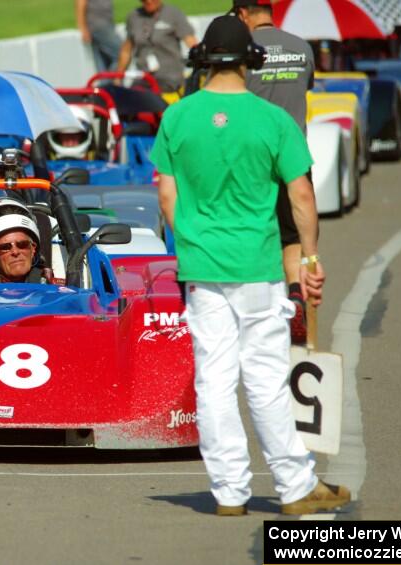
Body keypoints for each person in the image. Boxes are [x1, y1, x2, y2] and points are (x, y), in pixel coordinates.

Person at [151, 15, 350, 516]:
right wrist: (309, 256)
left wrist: (189, 242)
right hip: (259, 264)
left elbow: (167, 195)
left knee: (213, 380)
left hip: (201, 266)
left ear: (205, 60)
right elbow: (301, 195)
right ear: (248, 59)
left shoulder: (177, 118)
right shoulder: (272, 119)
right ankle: (294, 484)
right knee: (264, 378)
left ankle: (229, 492)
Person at [233, 0, 316, 345]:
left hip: (253, 159)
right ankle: (297, 297)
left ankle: (259, 315)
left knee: (255, 236)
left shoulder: (244, 52)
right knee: (293, 237)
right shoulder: (302, 47)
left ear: (242, 14)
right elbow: (306, 87)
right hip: (294, 159)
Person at [118, 0, 198, 101]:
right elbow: (126, 50)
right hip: (144, 78)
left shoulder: (173, 14)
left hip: (170, 80)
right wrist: (118, 77)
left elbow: (192, 43)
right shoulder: (133, 16)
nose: (149, 1)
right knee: (127, 100)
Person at [0, 198, 45, 284]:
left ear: (33, 249)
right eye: (5, 247)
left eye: (23, 245)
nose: (15, 252)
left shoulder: (57, 289)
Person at [75, 0, 121, 72]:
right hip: (99, 25)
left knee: (102, 61)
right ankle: (109, 79)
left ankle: (104, 81)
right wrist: (82, 27)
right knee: (122, 54)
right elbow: (80, 2)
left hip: (104, 24)